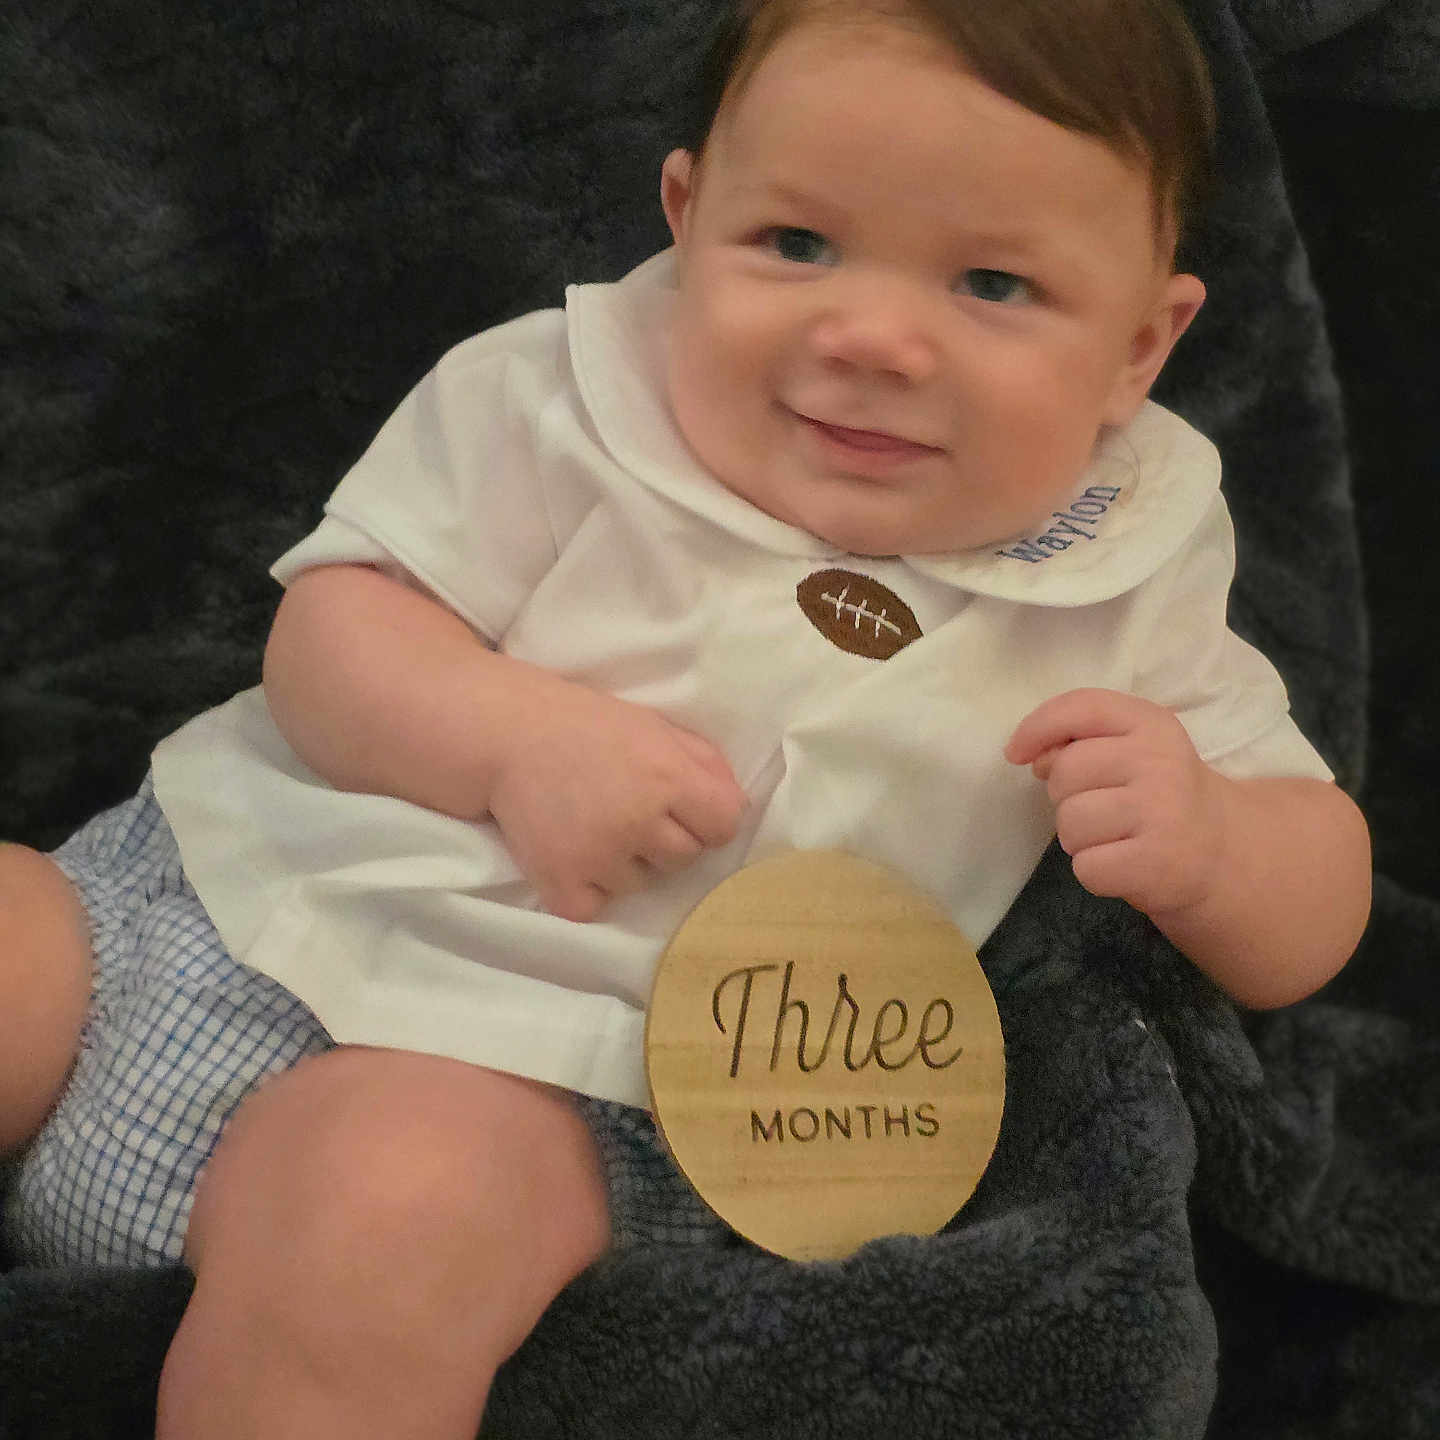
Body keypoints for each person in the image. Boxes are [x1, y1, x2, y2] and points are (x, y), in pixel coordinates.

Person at [0, 0, 1372, 1434]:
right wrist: (509, 735)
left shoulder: (1123, 574)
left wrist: (1213, 843)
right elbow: (333, 639)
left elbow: (1316, 886)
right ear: (687, 208)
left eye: (992, 285)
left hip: (560, 1084)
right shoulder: (558, 396)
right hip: (193, 914)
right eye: (796, 244)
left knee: (381, 1223)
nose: (872, 338)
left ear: (1141, 349)